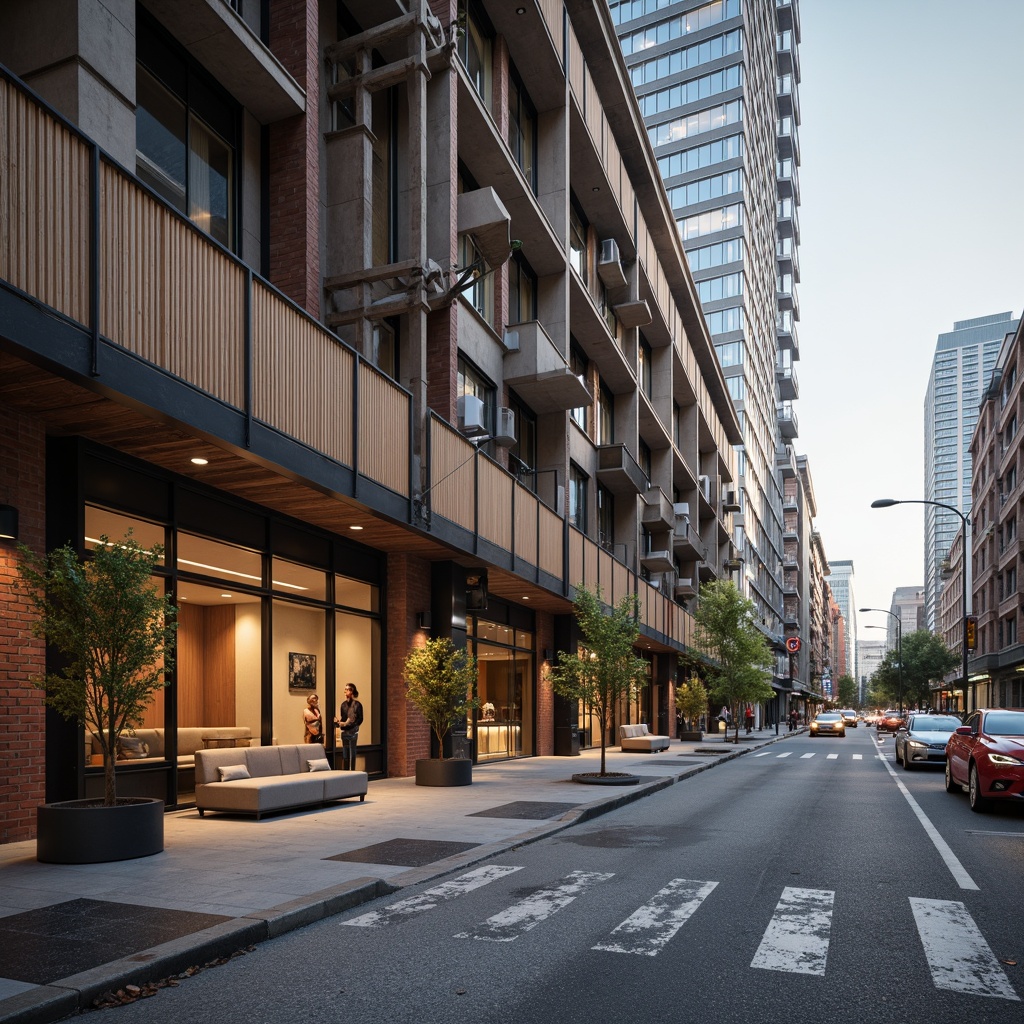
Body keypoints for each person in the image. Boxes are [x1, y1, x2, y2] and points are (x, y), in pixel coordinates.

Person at [335, 683, 364, 771]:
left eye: (347, 689)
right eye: (345, 689)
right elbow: (343, 717)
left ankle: (353, 772)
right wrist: (340, 723)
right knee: (345, 754)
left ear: (352, 691)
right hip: (344, 731)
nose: (345, 691)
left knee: (352, 754)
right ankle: (346, 772)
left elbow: (360, 719)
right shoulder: (343, 705)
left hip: (353, 732)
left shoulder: (357, 704)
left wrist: (353, 725)